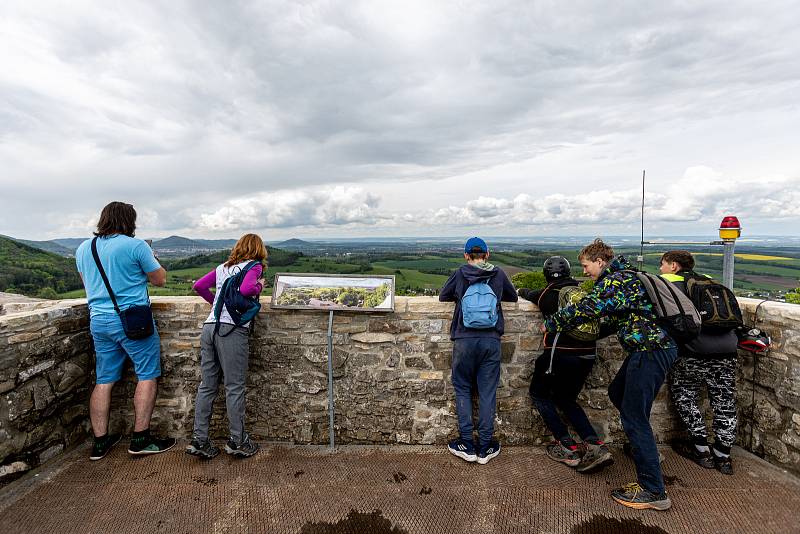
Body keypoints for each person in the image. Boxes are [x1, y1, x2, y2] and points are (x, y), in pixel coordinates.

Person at [542, 239, 677, 511]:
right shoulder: (627, 279)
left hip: (649, 350)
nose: (584, 272)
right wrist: (585, 336)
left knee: (633, 417)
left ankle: (654, 490)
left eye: (586, 265)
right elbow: (616, 321)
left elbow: (589, 307)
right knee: (618, 393)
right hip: (653, 348)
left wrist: (553, 323)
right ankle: (645, 447)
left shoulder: (615, 281)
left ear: (600, 262)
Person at [75, 201, 176, 460]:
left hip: (98, 320)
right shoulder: (136, 246)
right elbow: (160, 279)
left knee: (104, 380)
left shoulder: (84, 248)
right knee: (147, 374)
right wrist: (152, 262)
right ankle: (140, 439)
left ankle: (100, 443)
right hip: (133, 320)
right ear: (129, 221)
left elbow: (87, 284)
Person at [518, 256, 613, 473]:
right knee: (566, 398)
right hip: (587, 355)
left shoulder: (547, 295)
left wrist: (521, 290)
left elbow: (529, 294)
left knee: (539, 394)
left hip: (560, 356)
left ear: (546, 275)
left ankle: (566, 445)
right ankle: (595, 444)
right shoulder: (583, 293)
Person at [187, 234, 267, 459]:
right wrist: (260, 286)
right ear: (259, 250)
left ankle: (200, 440)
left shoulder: (223, 267)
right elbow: (247, 289)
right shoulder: (255, 266)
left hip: (209, 327)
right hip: (231, 330)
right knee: (234, 386)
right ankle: (238, 441)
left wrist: (217, 305)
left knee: (207, 386)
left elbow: (199, 285)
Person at [439, 237, 518, 464]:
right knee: (487, 392)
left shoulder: (460, 273)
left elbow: (443, 295)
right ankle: (484, 447)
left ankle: (466, 444)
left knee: (462, 388)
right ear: (487, 254)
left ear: (466, 255)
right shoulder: (499, 274)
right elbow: (512, 296)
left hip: (464, 340)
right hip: (491, 341)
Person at [660, 250, 738, 475]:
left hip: (695, 352)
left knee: (685, 395)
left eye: (663, 264)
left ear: (674, 265)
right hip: (727, 351)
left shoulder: (670, 282)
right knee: (724, 402)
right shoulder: (710, 282)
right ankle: (723, 456)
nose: (661, 269)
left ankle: (701, 449)